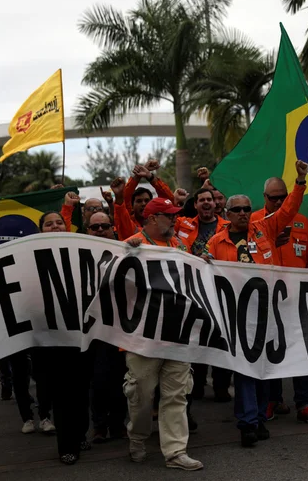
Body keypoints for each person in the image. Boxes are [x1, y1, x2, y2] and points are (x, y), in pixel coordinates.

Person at [205, 160, 308, 447]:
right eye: (236, 209)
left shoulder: (265, 228)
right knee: (245, 370)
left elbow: (288, 209)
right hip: (236, 316)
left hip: (267, 312)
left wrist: (300, 181)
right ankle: (247, 423)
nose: (242, 213)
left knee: (264, 370)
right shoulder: (215, 242)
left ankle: (260, 418)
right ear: (226, 214)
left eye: (246, 209)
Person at [123, 198, 203, 471]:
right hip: (143, 337)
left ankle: (175, 451)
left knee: (176, 395)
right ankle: (137, 437)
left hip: (177, 334)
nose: (175, 220)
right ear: (153, 218)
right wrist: (126, 253)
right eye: (169, 216)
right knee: (142, 395)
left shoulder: (179, 246)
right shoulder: (132, 243)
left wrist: (201, 263)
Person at [251, 176, 308, 425]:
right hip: (265, 303)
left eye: (283, 197)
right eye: (274, 198)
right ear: (265, 198)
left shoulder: (303, 223)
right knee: (270, 352)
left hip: (297, 303)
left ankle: (304, 402)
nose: (280, 202)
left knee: (300, 353)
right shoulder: (254, 223)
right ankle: (273, 399)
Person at [36, 211, 92, 464]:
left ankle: (80, 433)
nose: (55, 226)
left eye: (59, 222)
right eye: (49, 224)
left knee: (80, 390)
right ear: (41, 231)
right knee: (60, 392)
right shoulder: (30, 258)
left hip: (81, 334)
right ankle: (66, 446)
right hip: (48, 338)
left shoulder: (80, 250)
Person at [173, 188, 232, 402]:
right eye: (202, 200)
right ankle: (196, 386)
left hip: (220, 292)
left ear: (216, 204)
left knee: (221, 339)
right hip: (193, 292)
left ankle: (221, 386)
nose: (207, 203)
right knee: (197, 337)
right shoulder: (183, 224)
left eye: (210, 199)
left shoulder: (228, 226)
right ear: (195, 205)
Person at [85, 211, 127, 443]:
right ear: (87, 231)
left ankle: (118, 423)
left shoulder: (125, 251)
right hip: (93, 329)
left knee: (121, 378)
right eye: (94, 227)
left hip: (121, 327)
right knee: (99, 379)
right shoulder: (79, 256)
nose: (100, 230)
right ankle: (99, 426)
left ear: (113, 228)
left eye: (104, 226)